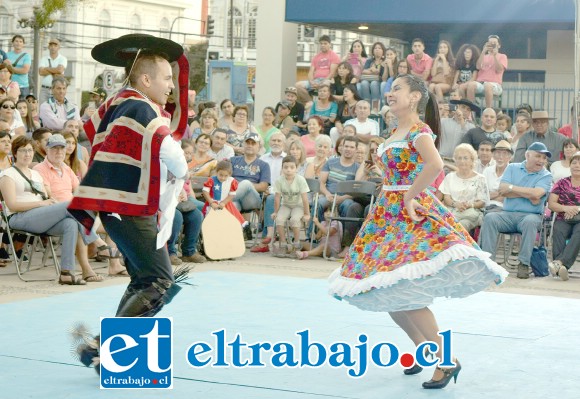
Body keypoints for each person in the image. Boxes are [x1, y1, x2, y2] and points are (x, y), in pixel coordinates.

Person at [328, 74, 507, 389]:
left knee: (407, 292)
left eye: (397, 88)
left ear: (414, 98)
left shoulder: (419, 131)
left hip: (411, 213)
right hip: (388, 215)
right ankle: (425, 351)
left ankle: (445, 359)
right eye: (391, 87)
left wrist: (409, 195)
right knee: (387, 291)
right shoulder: (392, 133)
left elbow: (436, 165)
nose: (390, 92)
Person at [68, 34, 191, 372]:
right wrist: (181, 173)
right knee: (161, 280)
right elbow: (170, 152)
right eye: (166, 79)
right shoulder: (140, 107)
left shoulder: (120, 102)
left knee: (143, 280)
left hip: (118, 207)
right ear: (146, 79)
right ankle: (103, 348)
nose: (171, 86)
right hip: (128, 207)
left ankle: (103, 350)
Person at [0, 136, 97, 285]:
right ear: (15, 153)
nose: (27, 154)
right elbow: (12, 205)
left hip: (39, 217)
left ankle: (66, 272)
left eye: (30, 150)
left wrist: (48, 200)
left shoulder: (36, 175)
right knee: (69, 205)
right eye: (23, 150)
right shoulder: (8, 175)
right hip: (19, 218)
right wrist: (42, 204)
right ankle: (96, 241)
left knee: (70, 223)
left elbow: (46, 197)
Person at [479, 142, 553, 279]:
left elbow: (537, 195)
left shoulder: (546, 175)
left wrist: (512, 189)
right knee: (490, 218)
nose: (541, 161)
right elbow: (502, 190)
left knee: (530, 222)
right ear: (527, 155)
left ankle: (523, 264)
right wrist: (528, 194)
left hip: (531, 216)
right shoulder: (512, 167)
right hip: (507, 214)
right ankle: (488, 264)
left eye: (544, 158)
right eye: (538, 156)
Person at [440, 144, 489, 231]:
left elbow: (482, 202)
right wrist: (456, 204)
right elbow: (446, 197)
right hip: (453, 211)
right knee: (445, 225)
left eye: (465, 158)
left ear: (472, 160)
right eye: (459, 158)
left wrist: (469, 205)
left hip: (471, 213)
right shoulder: (450, 177)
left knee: (460, 226)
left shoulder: (480, 178)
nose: (462, 161)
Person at [547, 151, 580, 281]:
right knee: (559, 230)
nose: (577, 165)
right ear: (570, 165)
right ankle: (562, 267)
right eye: (574, 162)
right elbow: (551, 204)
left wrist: (576, 208)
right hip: (563, 217)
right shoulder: (561, 183)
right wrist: (565, 208)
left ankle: (559, 263)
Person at [271, 155, 310, 256]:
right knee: (279, 219)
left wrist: (306, 214)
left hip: (298, 205)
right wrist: (275, 211)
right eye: (286, 167)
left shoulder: (300, 180)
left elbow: (305, 199)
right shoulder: (279, 180)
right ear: (282, 168)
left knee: (294, 219)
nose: (288, 170)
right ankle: (283, 244)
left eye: (292, 167)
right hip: (286, 205)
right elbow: (277, 198)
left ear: (296, 169)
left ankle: (296, 244)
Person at [466, 35, 508, 108]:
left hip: (495, 85)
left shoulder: (502, 56)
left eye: (494, 43)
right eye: (490, 43)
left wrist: (494, 55)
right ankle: (471, 110)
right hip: (481, 83)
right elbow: (478, 66)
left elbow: (499, 69)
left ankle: (488, 109)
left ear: (499, 45)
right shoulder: (484, 56)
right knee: (471, 85)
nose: (491, 44)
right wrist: (483, 52)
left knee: (487, 85)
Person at [295, 35, 341, 100]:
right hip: (315, 81)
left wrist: (321, 84)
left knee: (326, 85)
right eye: (321, 43)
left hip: (327, 80)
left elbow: (332, 73)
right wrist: (311, 82)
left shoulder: (334, 56)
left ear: (330, 44)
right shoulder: (316, 57)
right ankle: (310, 103)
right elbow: (310, 72)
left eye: (325, 43)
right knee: (298, 85)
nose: (323, 45)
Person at [202, 159, 246, 226]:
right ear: (217, 172)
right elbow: (205, 191)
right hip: (213, 203)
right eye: (221, 175)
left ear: (230, 174)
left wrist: (223, 203)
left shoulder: (232, 181)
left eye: (226, 176)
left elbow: (231, 195)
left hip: (225, 204)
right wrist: (211, 202)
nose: (222, 178)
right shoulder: (212, 180)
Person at [483, 140, 513, 213]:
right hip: (485, 207)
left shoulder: (513, 172)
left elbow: (510, 197)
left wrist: (491, 195)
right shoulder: (487, 171)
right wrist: (501, 193)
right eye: (498, 153)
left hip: (504, 209)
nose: (500, 157)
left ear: (510, 157)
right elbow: (482, 196)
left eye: (504, 154)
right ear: (493, 156)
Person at [38, 38, 67, 104]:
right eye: (51, 45)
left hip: (57, 90)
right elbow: (41, 72)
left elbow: (60, 70)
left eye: (55, 45)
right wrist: (55, 70)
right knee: (43, 110)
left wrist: (47, 68)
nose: (53, 47)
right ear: (48, 47)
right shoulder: (44, 59)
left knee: (57, 110)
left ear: (59, 47)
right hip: (45, 89)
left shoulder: (62, 59)